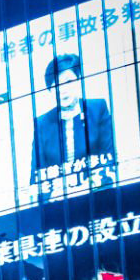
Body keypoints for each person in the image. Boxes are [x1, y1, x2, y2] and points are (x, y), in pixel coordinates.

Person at [30, 52, 116, 185]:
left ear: (79, 80)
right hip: (58, 200)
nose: (62, 90)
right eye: (56, 85)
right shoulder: (42, 124)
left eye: (68, 82)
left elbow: (109, 158)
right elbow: (36, 176)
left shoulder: (98, 108)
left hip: (97, 192)